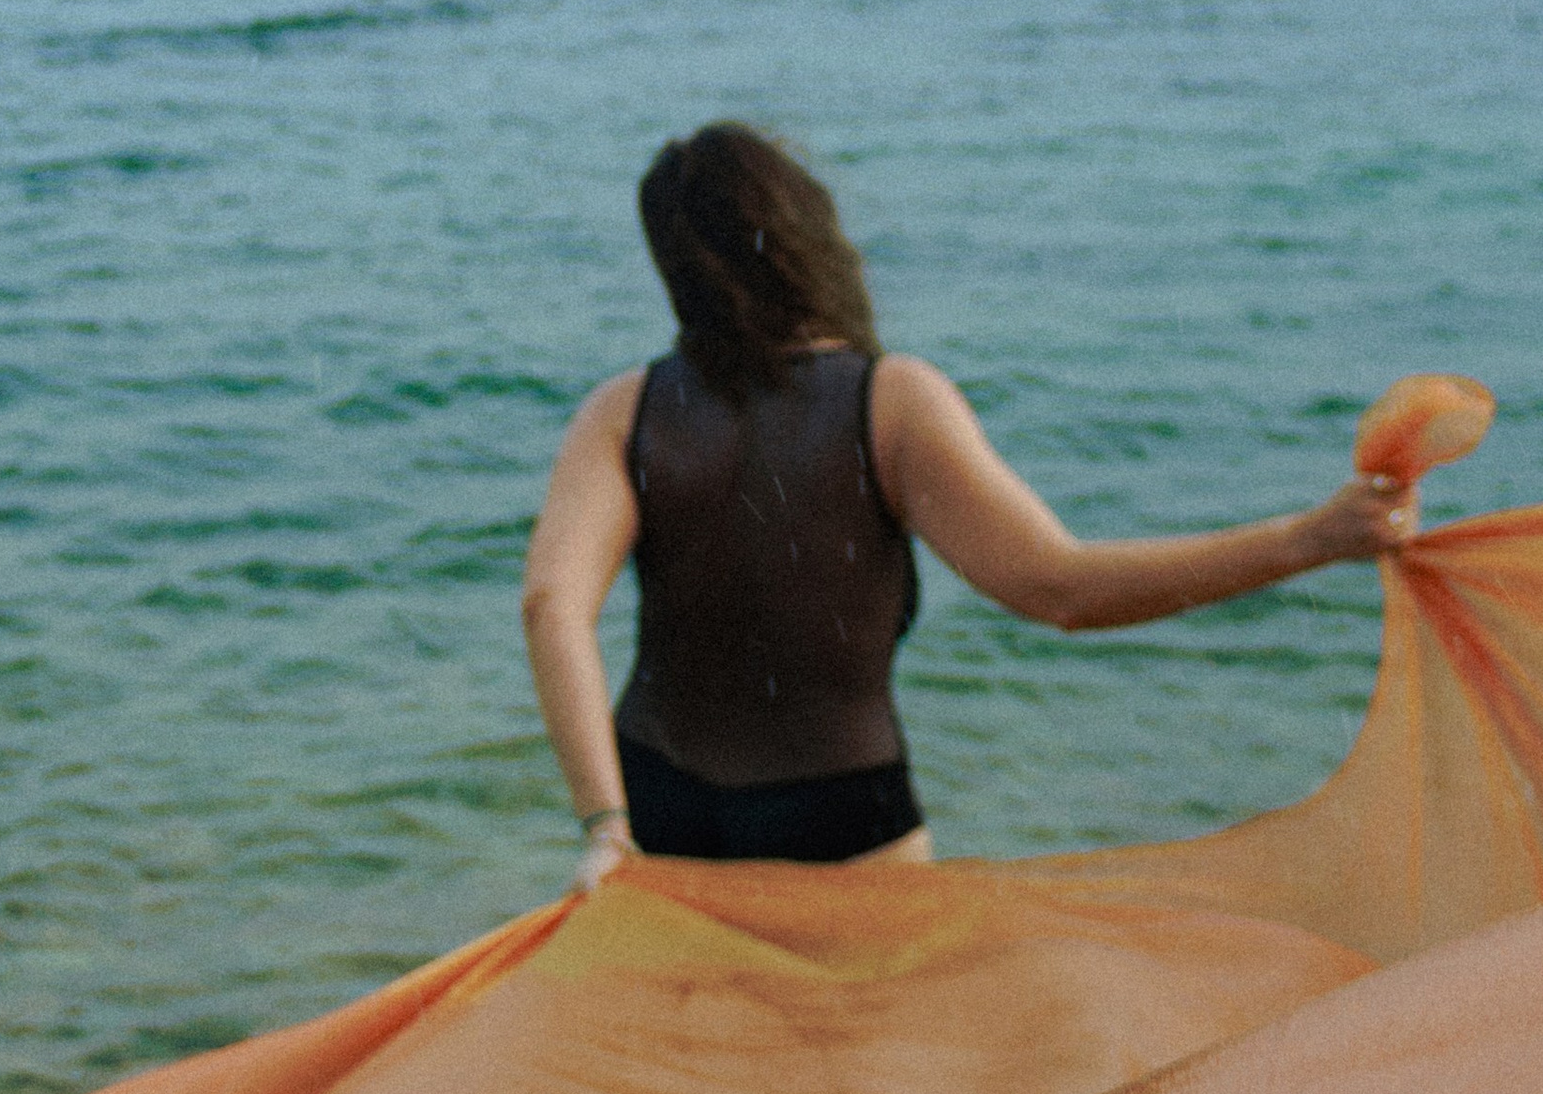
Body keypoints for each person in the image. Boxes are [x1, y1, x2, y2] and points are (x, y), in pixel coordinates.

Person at [522, 122, 1416, 889]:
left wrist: (606, 822)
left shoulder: (626, 413)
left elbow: (551, 607)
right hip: (844, 816)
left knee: (693, 1076)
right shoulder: (889, 402)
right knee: (866, 1078)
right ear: (806, 235)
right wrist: (1308, 538)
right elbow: (1057, 588)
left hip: (662, 802)